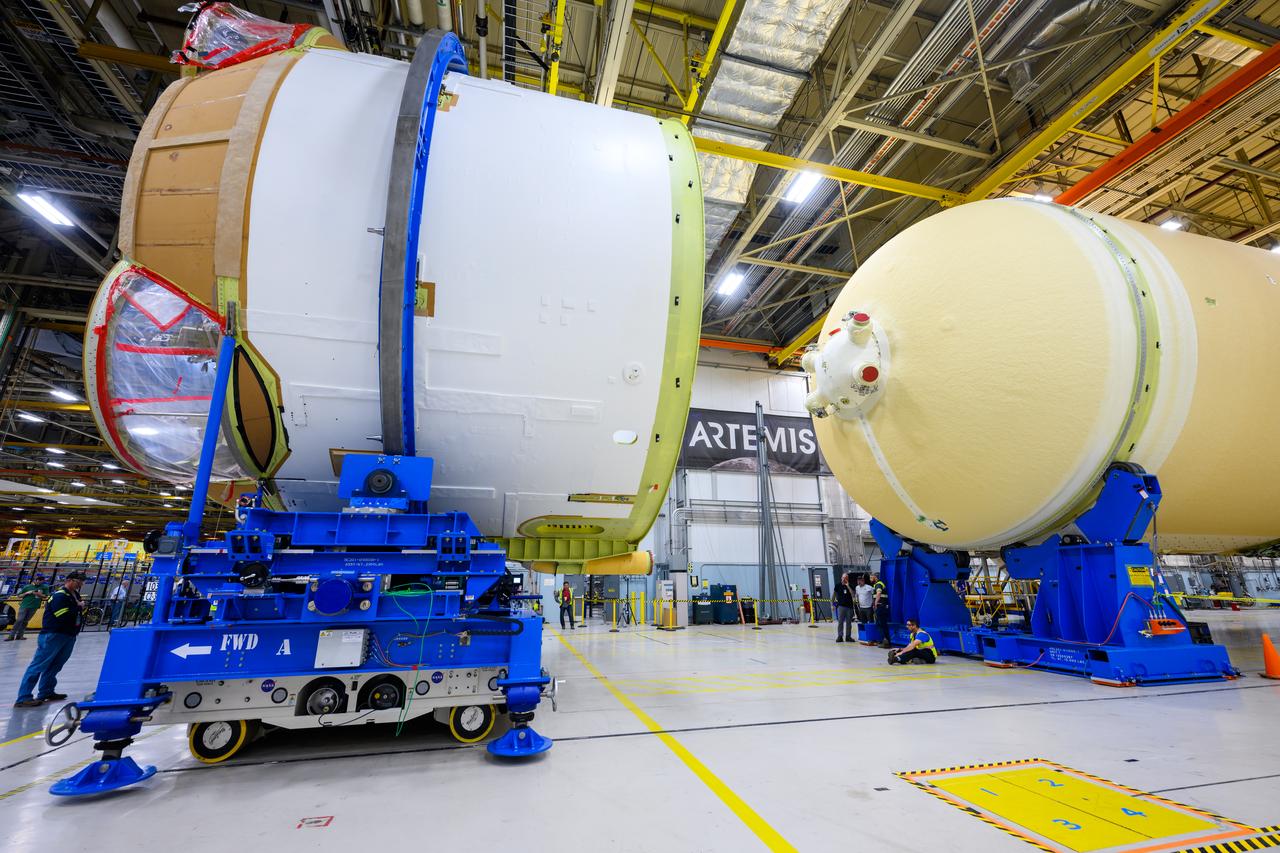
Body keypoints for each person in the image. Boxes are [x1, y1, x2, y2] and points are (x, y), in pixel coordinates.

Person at [14, 571, 86, 707]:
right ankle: (23, 697)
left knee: (56, 665)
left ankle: (46, 691)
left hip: (68, 634)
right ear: (69, 580)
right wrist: (78, 606)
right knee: (38, 665)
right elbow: (61, 614)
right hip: (54, 635)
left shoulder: (74, 595)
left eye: (82, 582)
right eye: (78, 581)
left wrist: (78, 606)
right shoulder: (59, 596)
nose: (80, 584)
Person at [5, 573, 49, 641]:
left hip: (34, 606)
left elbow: (45, 596)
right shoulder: (27, 587)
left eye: (42, 582)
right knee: (19, 620)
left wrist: (38, 594)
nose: (40, 583)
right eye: (39, 581)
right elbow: (19, 596)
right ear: (36, 580)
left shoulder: (44, 587)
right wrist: (27, 593)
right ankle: (11, 636)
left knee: (25, 621)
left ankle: (20, 636)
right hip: (24, 605)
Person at [833, 572, 855, 642]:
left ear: (847, 579)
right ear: (841, 578)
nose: (844, 579)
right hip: (841, 606)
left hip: (849, 607)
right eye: (843, 578)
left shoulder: (850, 585)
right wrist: (832, 604)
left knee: (849, 622)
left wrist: (847, 586)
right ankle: (840, 636)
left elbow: (853, 594)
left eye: (846, 578)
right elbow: (834, 595)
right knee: (840, 622)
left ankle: (848, 636)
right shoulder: (837, 585)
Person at [872, 572, 891, 648]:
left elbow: (879, 593)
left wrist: (875, 603)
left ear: (875, 578)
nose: (871, 579)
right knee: (883, 624)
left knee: (880, 624)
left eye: (871, 577)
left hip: (880, 607)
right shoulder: (880, 584)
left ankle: (884, 641)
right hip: (883, 607)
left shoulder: (878, 584)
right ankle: (886, 641)